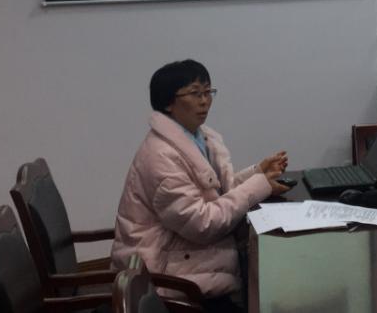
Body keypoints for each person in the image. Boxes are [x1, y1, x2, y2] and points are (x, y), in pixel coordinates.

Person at [111, 60, 290, 312]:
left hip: (187, 258)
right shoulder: (160, 157)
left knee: (263, 281)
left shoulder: (197, 136)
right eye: (195, 93)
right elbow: (203, 223)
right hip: (164, 278)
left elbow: (215, 193)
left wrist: (258, 173)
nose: (204, 101)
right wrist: (259, 186)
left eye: (208, 92)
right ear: (168, 103)